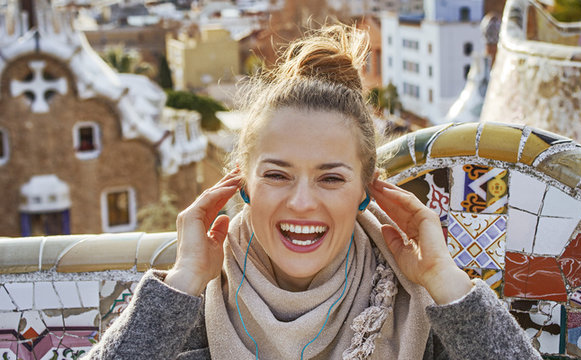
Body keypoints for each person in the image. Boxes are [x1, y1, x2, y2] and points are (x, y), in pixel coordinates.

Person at [84, 25, 540, 360]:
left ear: (367, 190)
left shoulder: (414, 308)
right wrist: (182, 284)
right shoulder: (193, 310)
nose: (302, 202)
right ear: (242, 183)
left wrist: (446, 281)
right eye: (277, 175)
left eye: (331, 178)